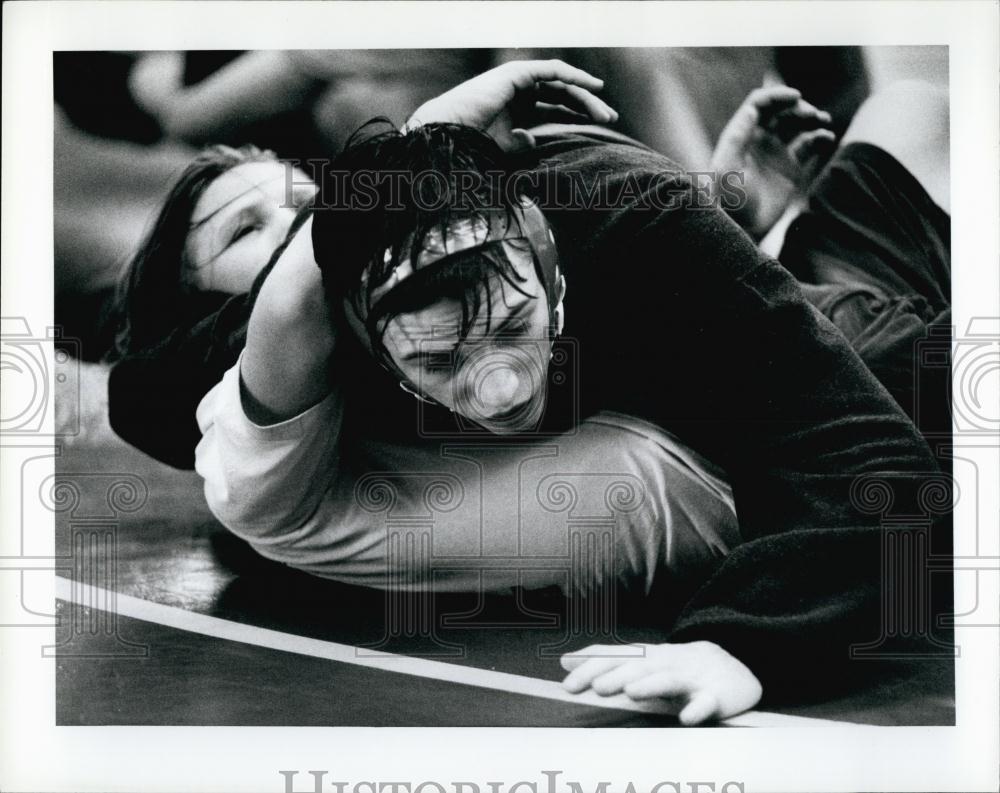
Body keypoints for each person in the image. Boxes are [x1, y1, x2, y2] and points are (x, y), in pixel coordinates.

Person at [194, 76, 951, 725]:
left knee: (915, 115)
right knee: (906, 118)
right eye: (436, 361)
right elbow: (144, 393)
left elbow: (869, 457)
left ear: (550, 265)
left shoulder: (627, 211)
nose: (499, 384)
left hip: (828, 346)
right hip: (764, 330)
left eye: (513, 326)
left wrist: (750, 641)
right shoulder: (299, 337)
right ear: (362, 341)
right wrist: (417, 139)